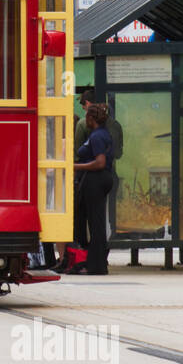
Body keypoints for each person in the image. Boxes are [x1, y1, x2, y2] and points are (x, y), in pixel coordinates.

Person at [72, 103, 118, 276]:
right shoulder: (101, 134)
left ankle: (96, 265)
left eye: (87, 118)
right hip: (99, 180)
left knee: (95, 223)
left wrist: (76, 166)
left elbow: (100, 162)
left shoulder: (97, 136)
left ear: (91, 119)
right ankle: (93, 261)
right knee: (93, 221)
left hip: (96, 180)